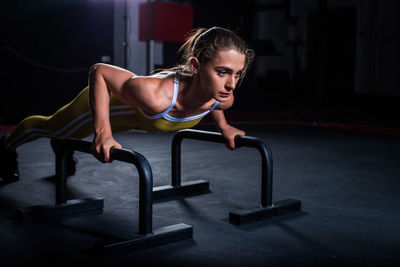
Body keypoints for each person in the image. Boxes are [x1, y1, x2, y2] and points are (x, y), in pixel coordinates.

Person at [0, 26, 255, 183]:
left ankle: (64, 144)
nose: (232, 84)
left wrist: (225, 127)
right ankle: (6, 147)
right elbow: (99, 71)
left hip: (129, 121)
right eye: (222, 72)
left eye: (237, 74)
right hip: (103, 106)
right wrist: (103, 134)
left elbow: (215, 105)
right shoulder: (155, 95)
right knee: (53, 128)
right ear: (196, 67)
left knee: (70, 135)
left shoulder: (223, 97)